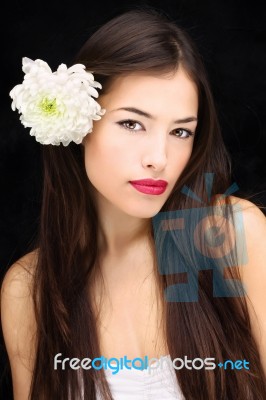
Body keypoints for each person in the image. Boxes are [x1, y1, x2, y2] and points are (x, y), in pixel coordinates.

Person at [1, 7, 266, 400]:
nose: (158, 158)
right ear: (80, 123)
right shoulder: (30, 289)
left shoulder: (228, 233)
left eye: (180, 131)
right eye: (132, 123)